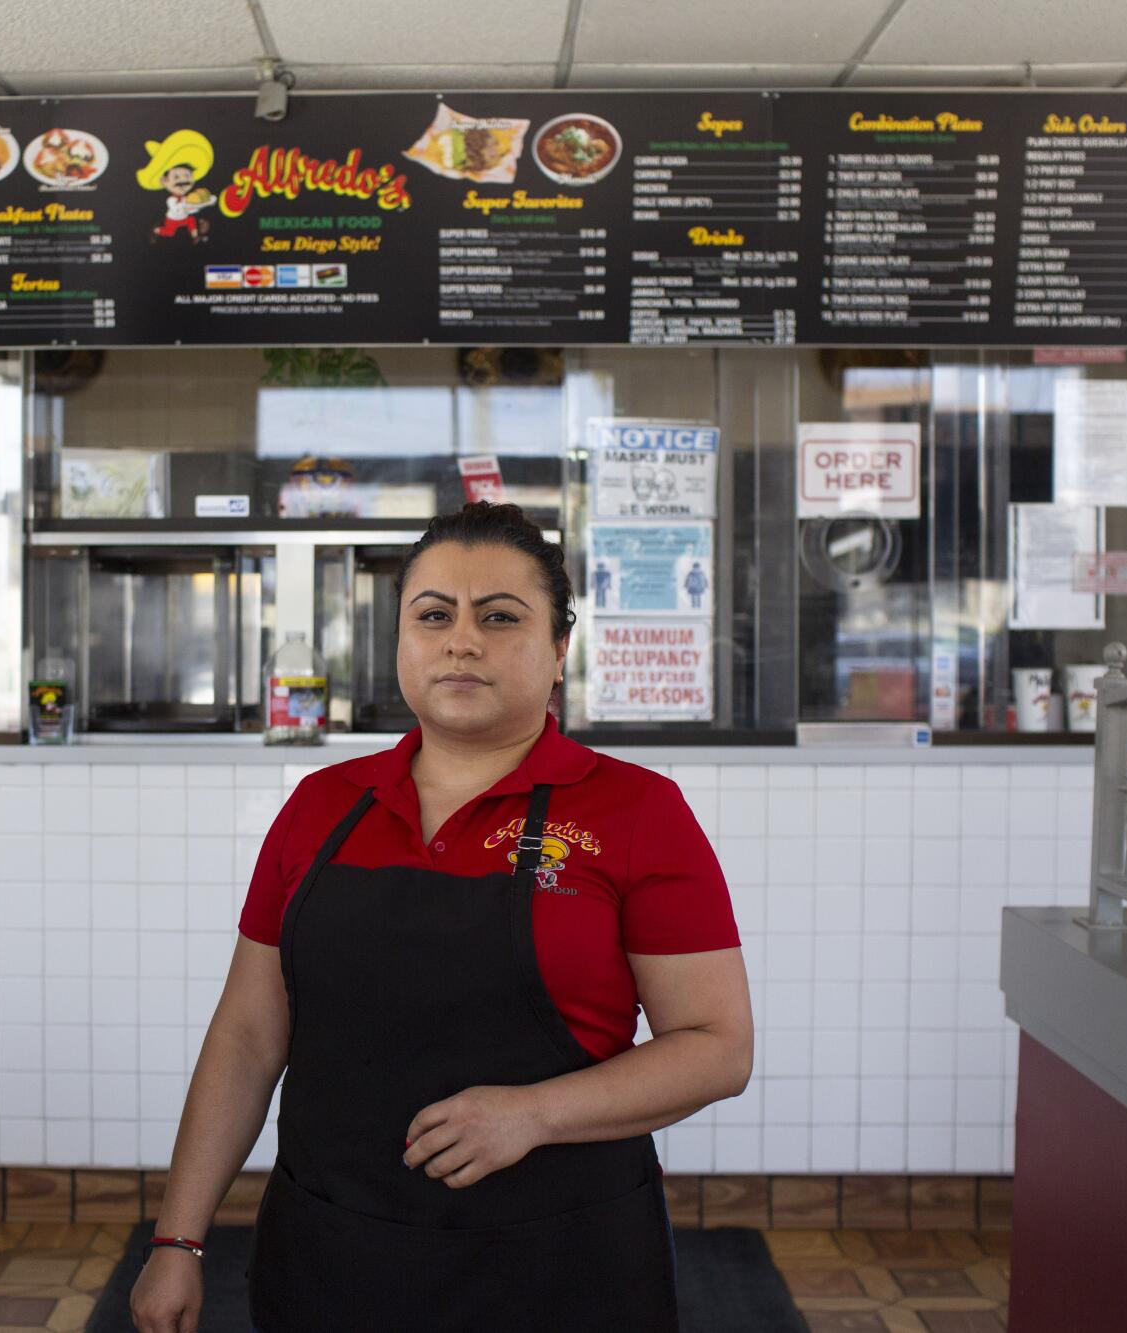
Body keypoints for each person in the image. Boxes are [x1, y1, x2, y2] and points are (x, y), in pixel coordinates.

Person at [131, 501, 752, 1333]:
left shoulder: (638, 810)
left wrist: (532, 1114)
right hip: (331, 1257)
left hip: (559, 1269)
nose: (462, 641)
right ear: (401, 641)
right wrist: (180, 1236)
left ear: (559, 649)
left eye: (500, 618)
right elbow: (248, 1034)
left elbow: (718, 1047)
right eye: (434, 615)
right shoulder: (322, 807)